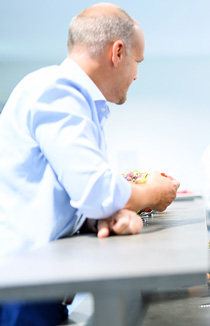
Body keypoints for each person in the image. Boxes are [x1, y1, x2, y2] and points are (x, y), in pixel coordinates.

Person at [0, 3, 179, 325]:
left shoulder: (72, 99)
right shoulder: (56, 90)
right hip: (19, 286)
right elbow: (97, 190)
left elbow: (73, 196)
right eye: (137, 62)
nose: (137, 74)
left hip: (34, 281)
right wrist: (154, 193)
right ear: (118, 52)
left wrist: (100, 219)